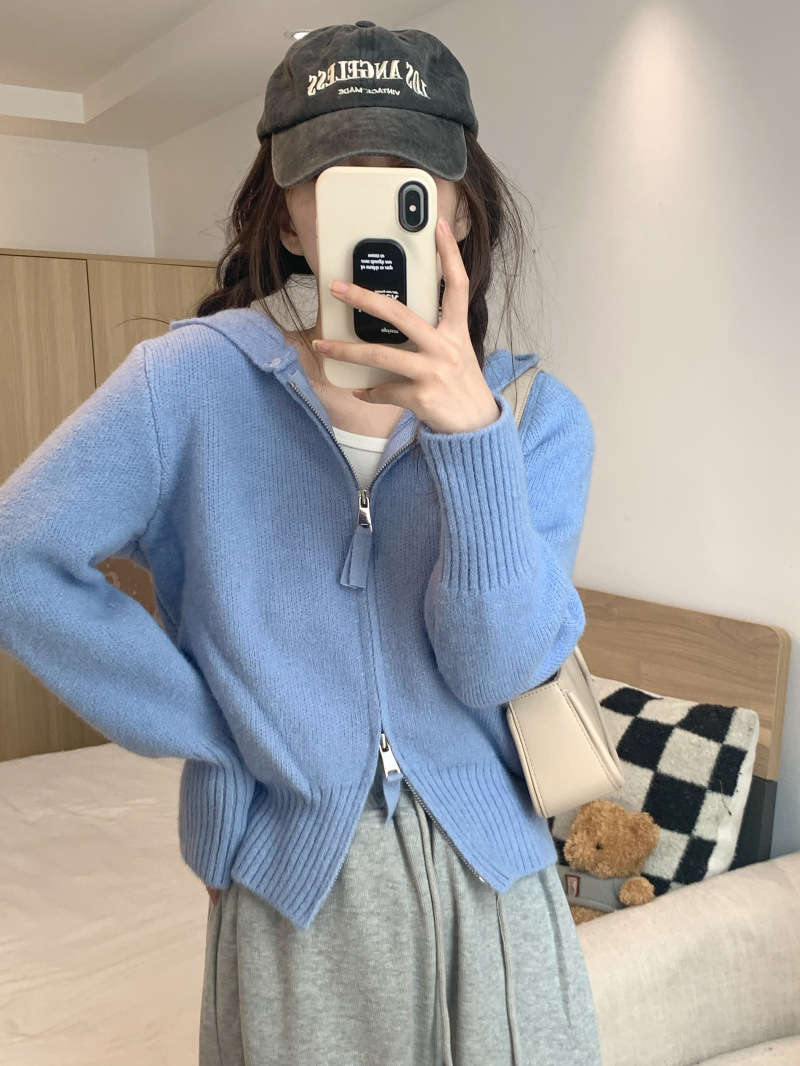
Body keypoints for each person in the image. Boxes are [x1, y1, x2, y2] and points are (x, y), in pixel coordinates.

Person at [0, 21, 603, 1066]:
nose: (366, 203)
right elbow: (18, 560)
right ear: (286, 212)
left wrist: (470, 442)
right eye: (332, 175)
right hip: (295, 888)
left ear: (459, 204)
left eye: (406, 176)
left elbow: (497, 666)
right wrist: (216, 725)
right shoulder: (186, 384)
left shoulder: (536, 417)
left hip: (499, 897)